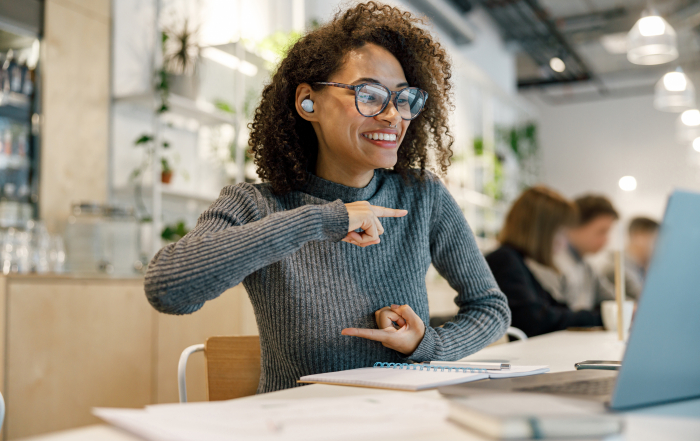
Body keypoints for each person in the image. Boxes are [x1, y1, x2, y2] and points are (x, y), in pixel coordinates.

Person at [144, 2, 510, 394]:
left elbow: (491, 309)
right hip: (297, 426)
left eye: (403, 99)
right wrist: (320, 220)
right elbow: (167, 289)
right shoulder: (255, 204)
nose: (393, 116)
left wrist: (427, 344)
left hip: (404, 422)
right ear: (308, 102)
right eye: (369, 95)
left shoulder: (423, 197)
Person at [485, 186, 603, 337]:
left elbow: (555, 309)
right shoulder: (504, 260)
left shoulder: (517, 261)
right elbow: (535, 321)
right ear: (541, 231)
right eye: (560, 231)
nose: (564, 243)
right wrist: (601, 317)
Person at [555, 195, 618, 311]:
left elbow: (614, 298)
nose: (606, 239)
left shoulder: (587, 267)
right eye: (601, 231)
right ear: (575, 224)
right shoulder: (553, 263)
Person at [602, 216, 660, 299]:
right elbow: (648, 300)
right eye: (656, 239)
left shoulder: (638, 268)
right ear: (639, 236)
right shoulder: (617, 268)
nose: (660, 247)